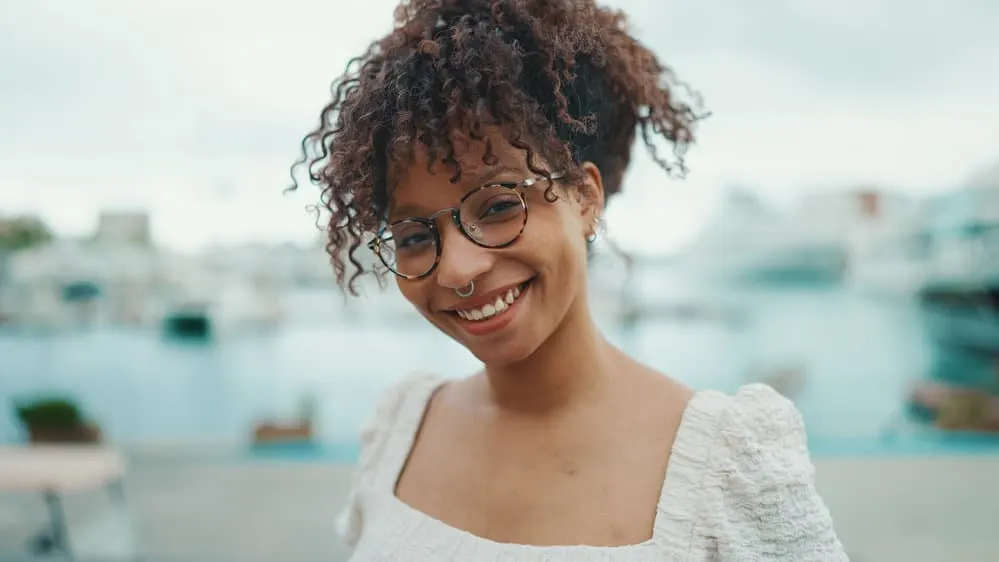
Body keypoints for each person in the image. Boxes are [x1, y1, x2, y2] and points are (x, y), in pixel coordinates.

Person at [290, 0, 848, 559]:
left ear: (585, 197)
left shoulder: (727, 466)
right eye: (414, 237)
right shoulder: (399, 431)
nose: (458, 269)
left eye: (500, 205)